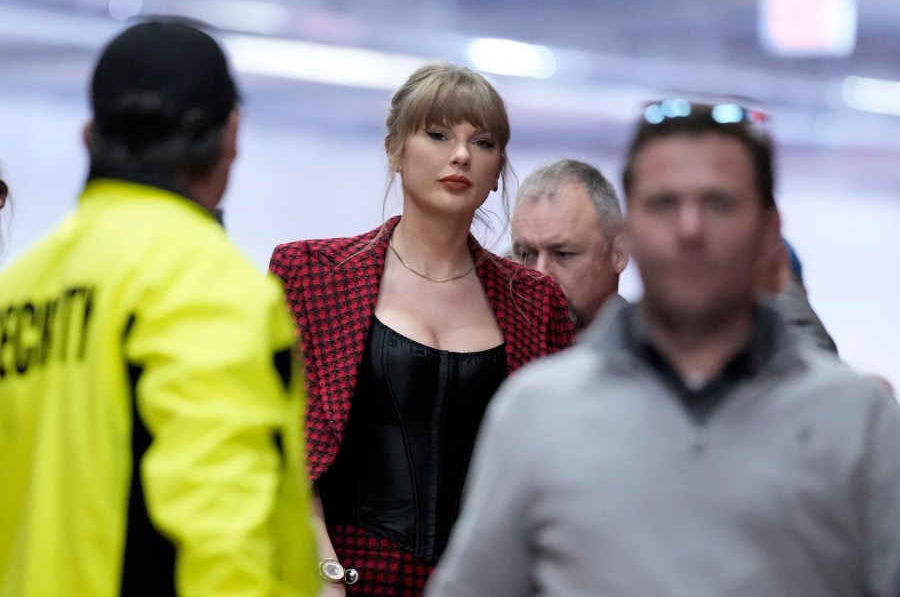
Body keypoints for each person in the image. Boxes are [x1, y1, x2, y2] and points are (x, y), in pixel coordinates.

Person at [427, 99, 900, 597]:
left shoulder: (856, 420)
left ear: (769, 231)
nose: (689, 229)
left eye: (719, 203)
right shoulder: (534, 413)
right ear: (631, 232)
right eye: (663, 204)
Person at [0, 20, 319, 596]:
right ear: (232, 135)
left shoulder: (18, 290)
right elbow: (227, 540)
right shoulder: (209, 285)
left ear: (89, 136)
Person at [269, 62, 574, 596]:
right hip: (343, 577)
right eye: (437, 134)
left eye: (481, 142)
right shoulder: (310, 273)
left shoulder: (536, 301)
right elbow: (277, 443)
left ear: (499, 167)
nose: (460, 155)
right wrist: (324, 575)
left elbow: (557, 472)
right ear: (395, 148)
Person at [509, 158, 628, 334]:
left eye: (563, 254)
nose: (540, 275)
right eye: (526, 255)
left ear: (618, 253)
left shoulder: (662, 356)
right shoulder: (488, 351)